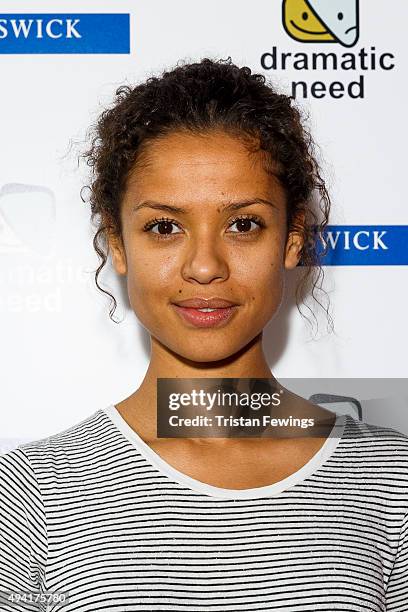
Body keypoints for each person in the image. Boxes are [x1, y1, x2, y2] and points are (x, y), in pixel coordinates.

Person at [1, 58, 407, 611]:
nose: (205, 266)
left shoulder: (392, 484)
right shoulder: (30, 493)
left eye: (244, 224)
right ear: (118, 246)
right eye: (164, 227)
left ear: (292, 241)